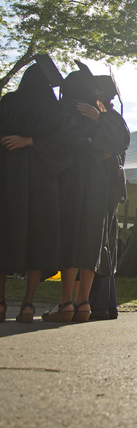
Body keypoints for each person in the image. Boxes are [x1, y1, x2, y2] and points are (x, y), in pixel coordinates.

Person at [0, 56, 87, 322]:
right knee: (39, 237)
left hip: (8, 178)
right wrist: (34, 142)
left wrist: (23, 141)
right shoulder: (55, 108)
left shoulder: (8, 102)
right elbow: (71, 143)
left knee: (3, 235)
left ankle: (1, 303)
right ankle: (28, 304)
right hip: (43, 180)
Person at [42, 62, 130, 322]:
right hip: (99, 187)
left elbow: (61, 143)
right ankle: (86, 305)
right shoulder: (106, 117)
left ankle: (69, 303)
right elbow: (118, 143)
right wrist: (98, 144)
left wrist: (89, 142)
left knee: (74, 239)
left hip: (76, 182)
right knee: (94, 240)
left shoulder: (81, 112)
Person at [87, 74, 130, 320]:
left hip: (106, 189)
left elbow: (120, 142)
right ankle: (103, 303)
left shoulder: (111, 117)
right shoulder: (108, 116)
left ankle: (102, 303)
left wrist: (100, 121)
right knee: (103, 243)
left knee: (103, 243)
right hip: (103, 187)